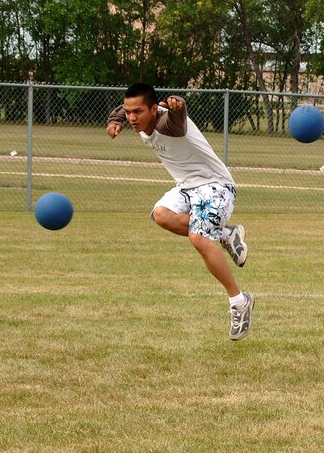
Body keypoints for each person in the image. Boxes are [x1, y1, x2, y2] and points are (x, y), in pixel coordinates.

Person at [106, 83, 254, 341]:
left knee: (199, 237)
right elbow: (126, 106)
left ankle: (239, 301)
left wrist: (179, 105)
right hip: (186, 187)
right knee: (161, 214)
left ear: (155, 109)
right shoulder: (140, 116)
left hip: (216, 185)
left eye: (137, 113)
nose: (132, 117)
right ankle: (225, 234)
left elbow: (177, 120)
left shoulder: (167, 122)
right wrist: (115, 120)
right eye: (129, 113)